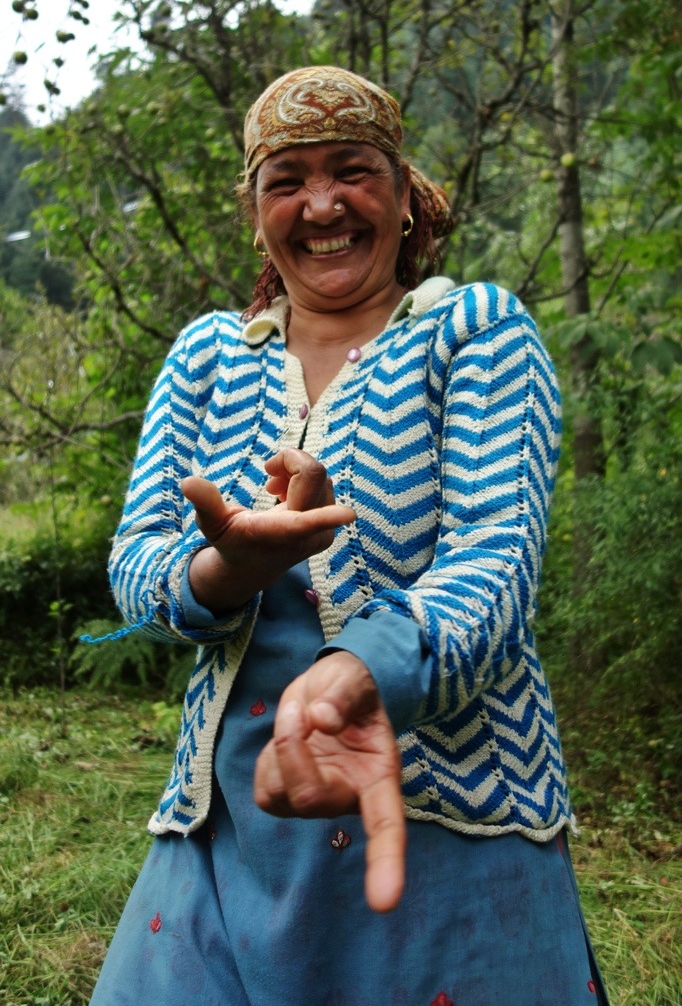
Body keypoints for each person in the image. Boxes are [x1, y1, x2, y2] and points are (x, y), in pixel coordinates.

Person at [89, 66, 609, 1005]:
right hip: (232, 821)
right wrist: (225, 569)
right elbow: (137, 561)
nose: (322, 203)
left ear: (405, 194)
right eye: (287, 180)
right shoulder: (207, 357)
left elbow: (496, 557)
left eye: (352, 170)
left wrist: (363, 671)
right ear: (257, 214)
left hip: (449, 813)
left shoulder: (475, 330)